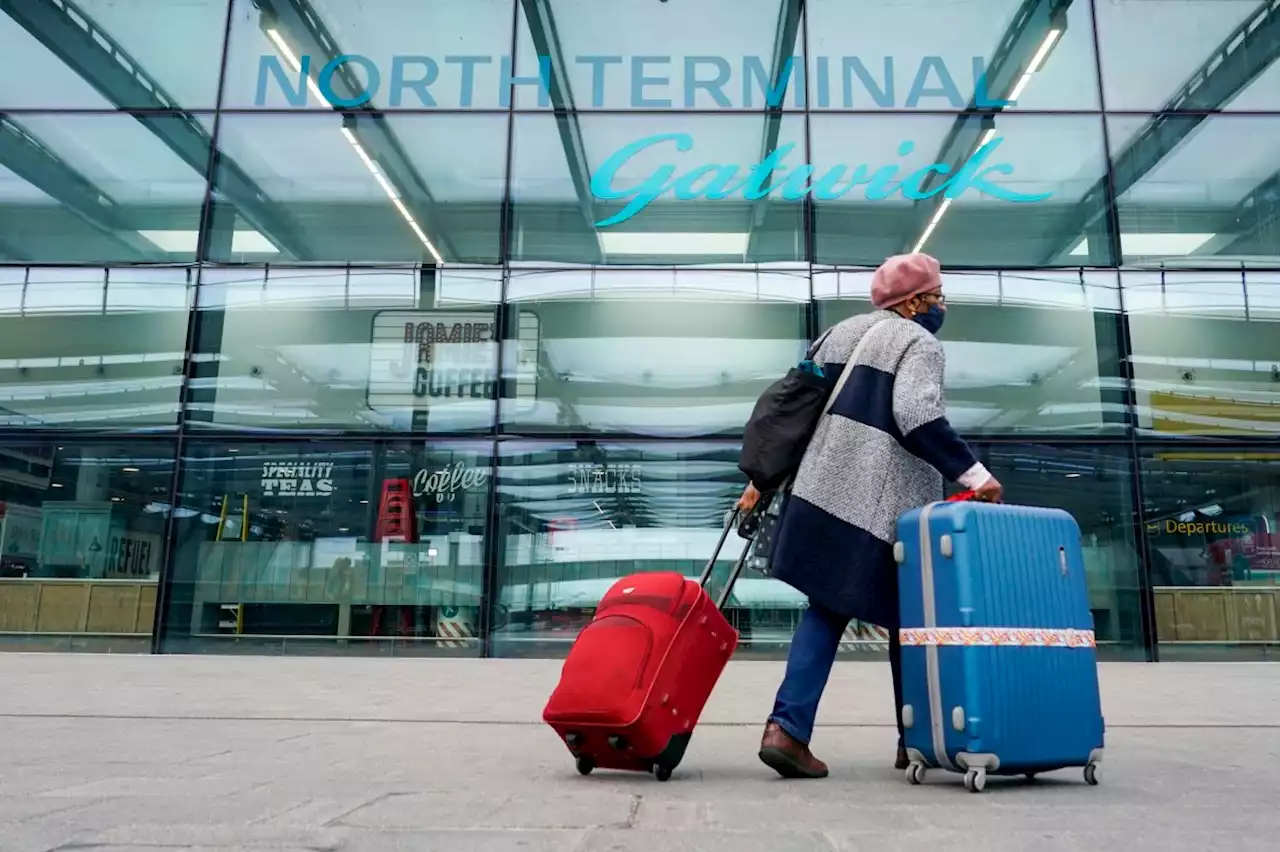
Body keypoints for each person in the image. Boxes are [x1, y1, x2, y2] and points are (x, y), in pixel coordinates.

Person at [736, 252, 1003, 779]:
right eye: (939, 294)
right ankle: (917, 739)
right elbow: (918, 417)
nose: (942, 304)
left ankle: (787, 730)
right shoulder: (917, 342)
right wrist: (976, 476)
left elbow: (794, 414)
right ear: (916, 301)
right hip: (879, 507)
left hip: (819, 493)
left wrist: (761, 482)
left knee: (828, 606)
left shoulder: (836, 334)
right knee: (910, 618)